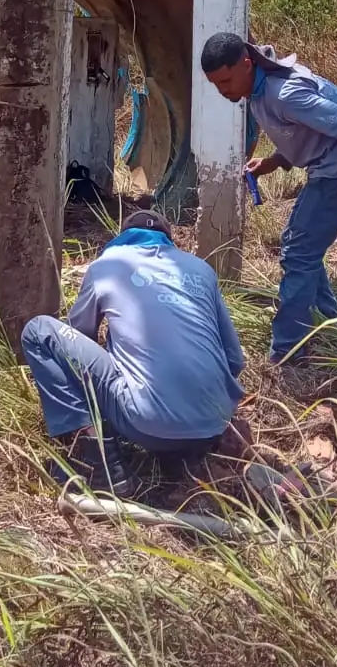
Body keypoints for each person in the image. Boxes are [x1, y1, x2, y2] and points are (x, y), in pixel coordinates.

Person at [20, 210, 246, 495]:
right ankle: (182, 454)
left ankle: (97, 458)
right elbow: (234, 359)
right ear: (168, 240)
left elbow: (79, 338)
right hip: (212, 425)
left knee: (39, 330)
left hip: (147, 423)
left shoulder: (107, 265)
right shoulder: (201, 270)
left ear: (124, 237)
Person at [200, 32, 337, 365]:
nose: (222, 90)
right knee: (301, 249)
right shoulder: (257, 89)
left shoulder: (283, 94)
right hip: (329, 167)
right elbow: (306, 130)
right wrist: (273, 161)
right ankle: (327, 320)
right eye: (215, 84)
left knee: (298, 254)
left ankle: (288, 351)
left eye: (225, 81)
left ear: (246, 64)